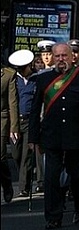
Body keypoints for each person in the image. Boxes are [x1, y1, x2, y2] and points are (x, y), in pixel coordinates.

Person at [29, 43, 79, 229]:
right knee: (51, 178)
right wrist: (33, 138)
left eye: (64, 56)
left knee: (78, 177)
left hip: (75, 134)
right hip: (51, 135)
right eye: (58, 56)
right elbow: (35, 109)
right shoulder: (43, 78)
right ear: (53, 58)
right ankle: (53, 216)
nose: (61, 59)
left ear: (72, 57)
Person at [9, 49, 36, 198]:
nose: (20, 70)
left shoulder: (36, 79)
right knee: (16, 154)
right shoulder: (14, 79)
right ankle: (24, 175)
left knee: (26, 155)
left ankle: (23, 187)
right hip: (15, 122)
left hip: (30, 120)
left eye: (23, 68)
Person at [1, 56, 20, 203]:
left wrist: (14, 126)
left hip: (1, 120)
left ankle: (6, 182)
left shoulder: (8, 74)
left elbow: (12, 102)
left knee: (0, 156)